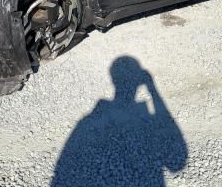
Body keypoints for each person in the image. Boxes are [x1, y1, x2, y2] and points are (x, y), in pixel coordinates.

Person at [51, 56, 187, 187]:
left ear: (113, 79)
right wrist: (152, 89)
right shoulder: (89, 120)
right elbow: (176, 163)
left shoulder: (87, 121)